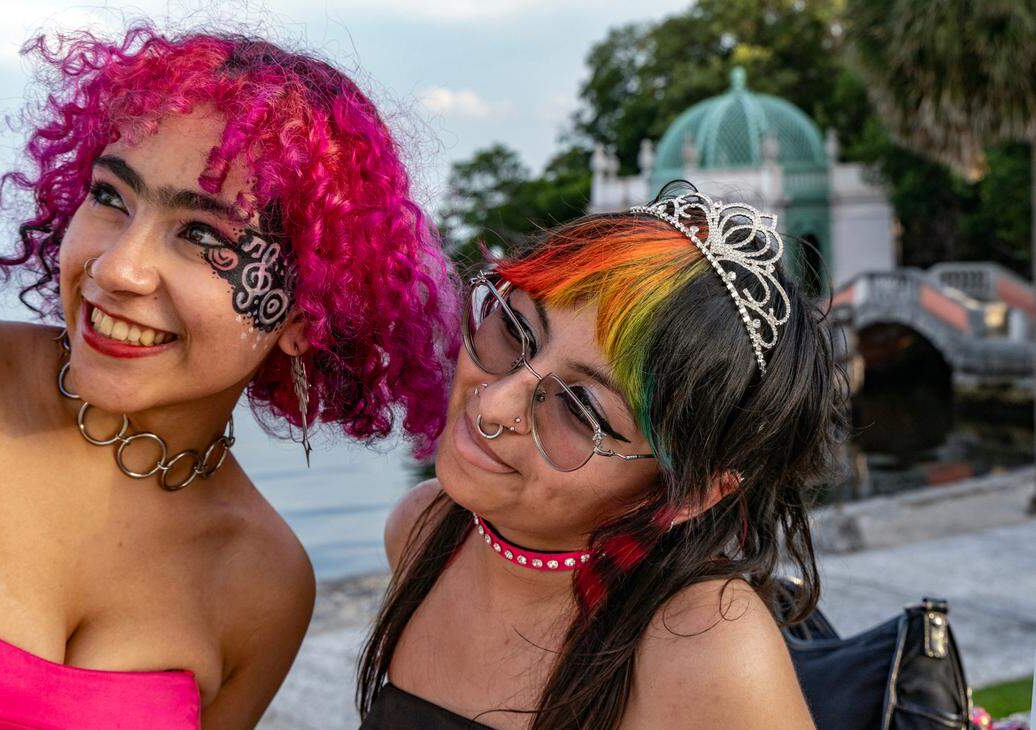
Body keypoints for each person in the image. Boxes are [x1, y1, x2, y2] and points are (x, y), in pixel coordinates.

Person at [0, 24, 457, 729]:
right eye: (110, 197)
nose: (116, 269)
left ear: (308, 314)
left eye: (203, 236)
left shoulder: (266, 581)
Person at [358, 187, 848, 729]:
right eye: (513, 330)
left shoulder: (703, 649)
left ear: (688, 492)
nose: (493, 403)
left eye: (579, 409)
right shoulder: (424, 530)